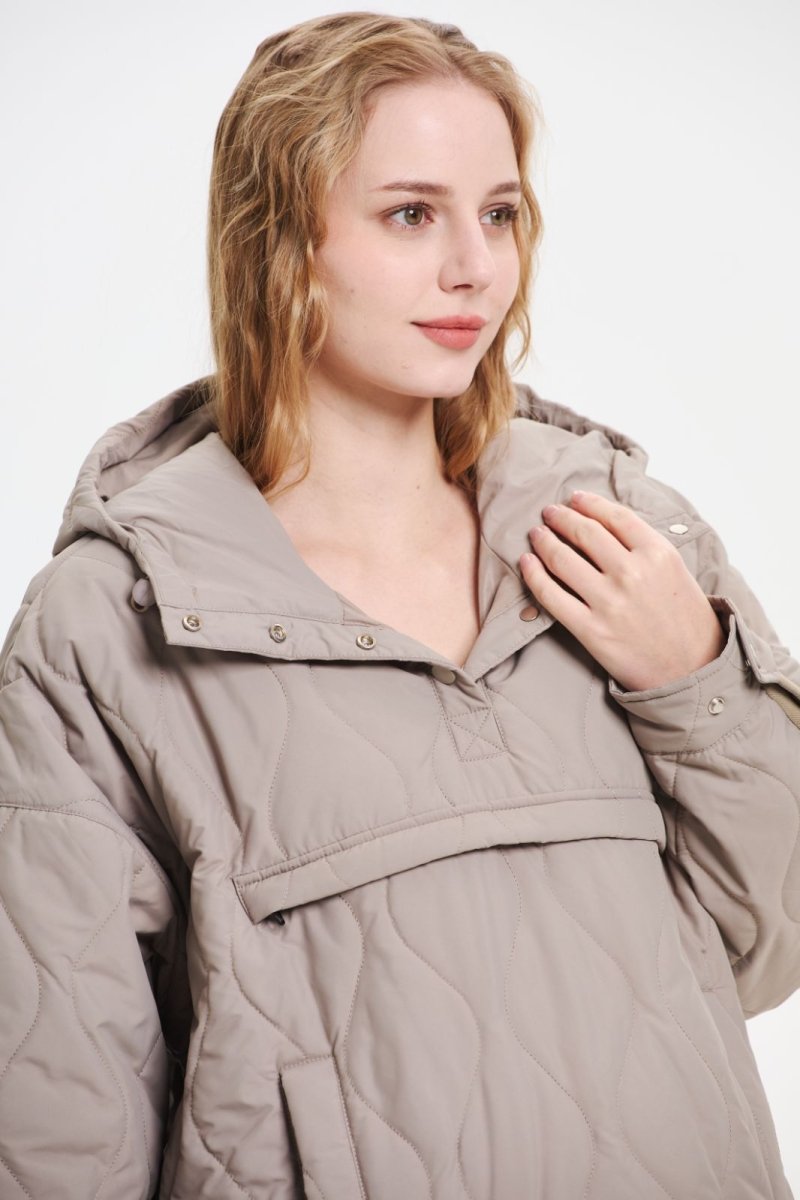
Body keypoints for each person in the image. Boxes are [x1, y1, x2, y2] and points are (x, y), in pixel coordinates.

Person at [1, 11, 798, 1198]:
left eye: (499, 213)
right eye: (411, 214)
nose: (474, 266)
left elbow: (767, 947)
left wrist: (692, 682)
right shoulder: (110, 624)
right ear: (279, 240)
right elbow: (61, 1111)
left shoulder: (615, 538)